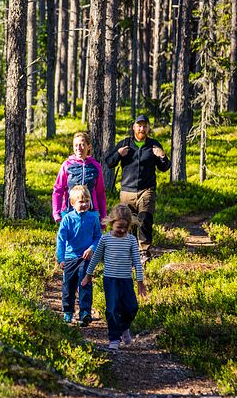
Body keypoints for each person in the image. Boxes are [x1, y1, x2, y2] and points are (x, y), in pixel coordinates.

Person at [105, 115, 170, 264]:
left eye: (144, 125)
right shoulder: (125, 143)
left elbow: (164, 167)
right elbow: (109, 162)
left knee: (145, 218)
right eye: (139, 125)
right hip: (127, 190)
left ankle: (144, 251)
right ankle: (130, 250)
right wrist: (118, 154)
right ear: (134, 127)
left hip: (146, 190)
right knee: (129, 222)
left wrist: (162, 156)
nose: (142, 128)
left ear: (148, 128)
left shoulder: (153, 145)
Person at [82, 204, 147, 351]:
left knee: (132, 308)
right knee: (112, 309)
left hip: (126, 280)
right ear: (112, 224)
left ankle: (124, 328)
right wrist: (88, 275)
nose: (122, 230)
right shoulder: (105, 240)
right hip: (110, 280)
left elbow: (137, 261)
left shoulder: (131, 240)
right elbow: (95, 258)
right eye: (119, 227)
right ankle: (114, 339)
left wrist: (140, 282)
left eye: (125, 227)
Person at [56, 185, 102, 326]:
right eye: (81, 202)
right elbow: (61, 239)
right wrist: (61, 258)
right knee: (68, 286)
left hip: (86, 258)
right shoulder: (68, 219)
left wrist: (92, 248)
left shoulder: (93, 218)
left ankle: (85, 313)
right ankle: (68, 312)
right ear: (72, 203)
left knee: (85, 284)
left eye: (87, 201)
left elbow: (98, 237)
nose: (84, 204)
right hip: (70, 257)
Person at [52, 131, 107, 227]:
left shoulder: (95, 166)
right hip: (69, 211)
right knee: (70, 241)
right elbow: (58, 190)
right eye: (76, 145)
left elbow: (100, 193)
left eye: (82, 144)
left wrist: (103, 217)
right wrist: (56, 213)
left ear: (88, 146)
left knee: (91, 240)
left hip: (91, 212)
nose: (78, 148)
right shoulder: (67, 165)